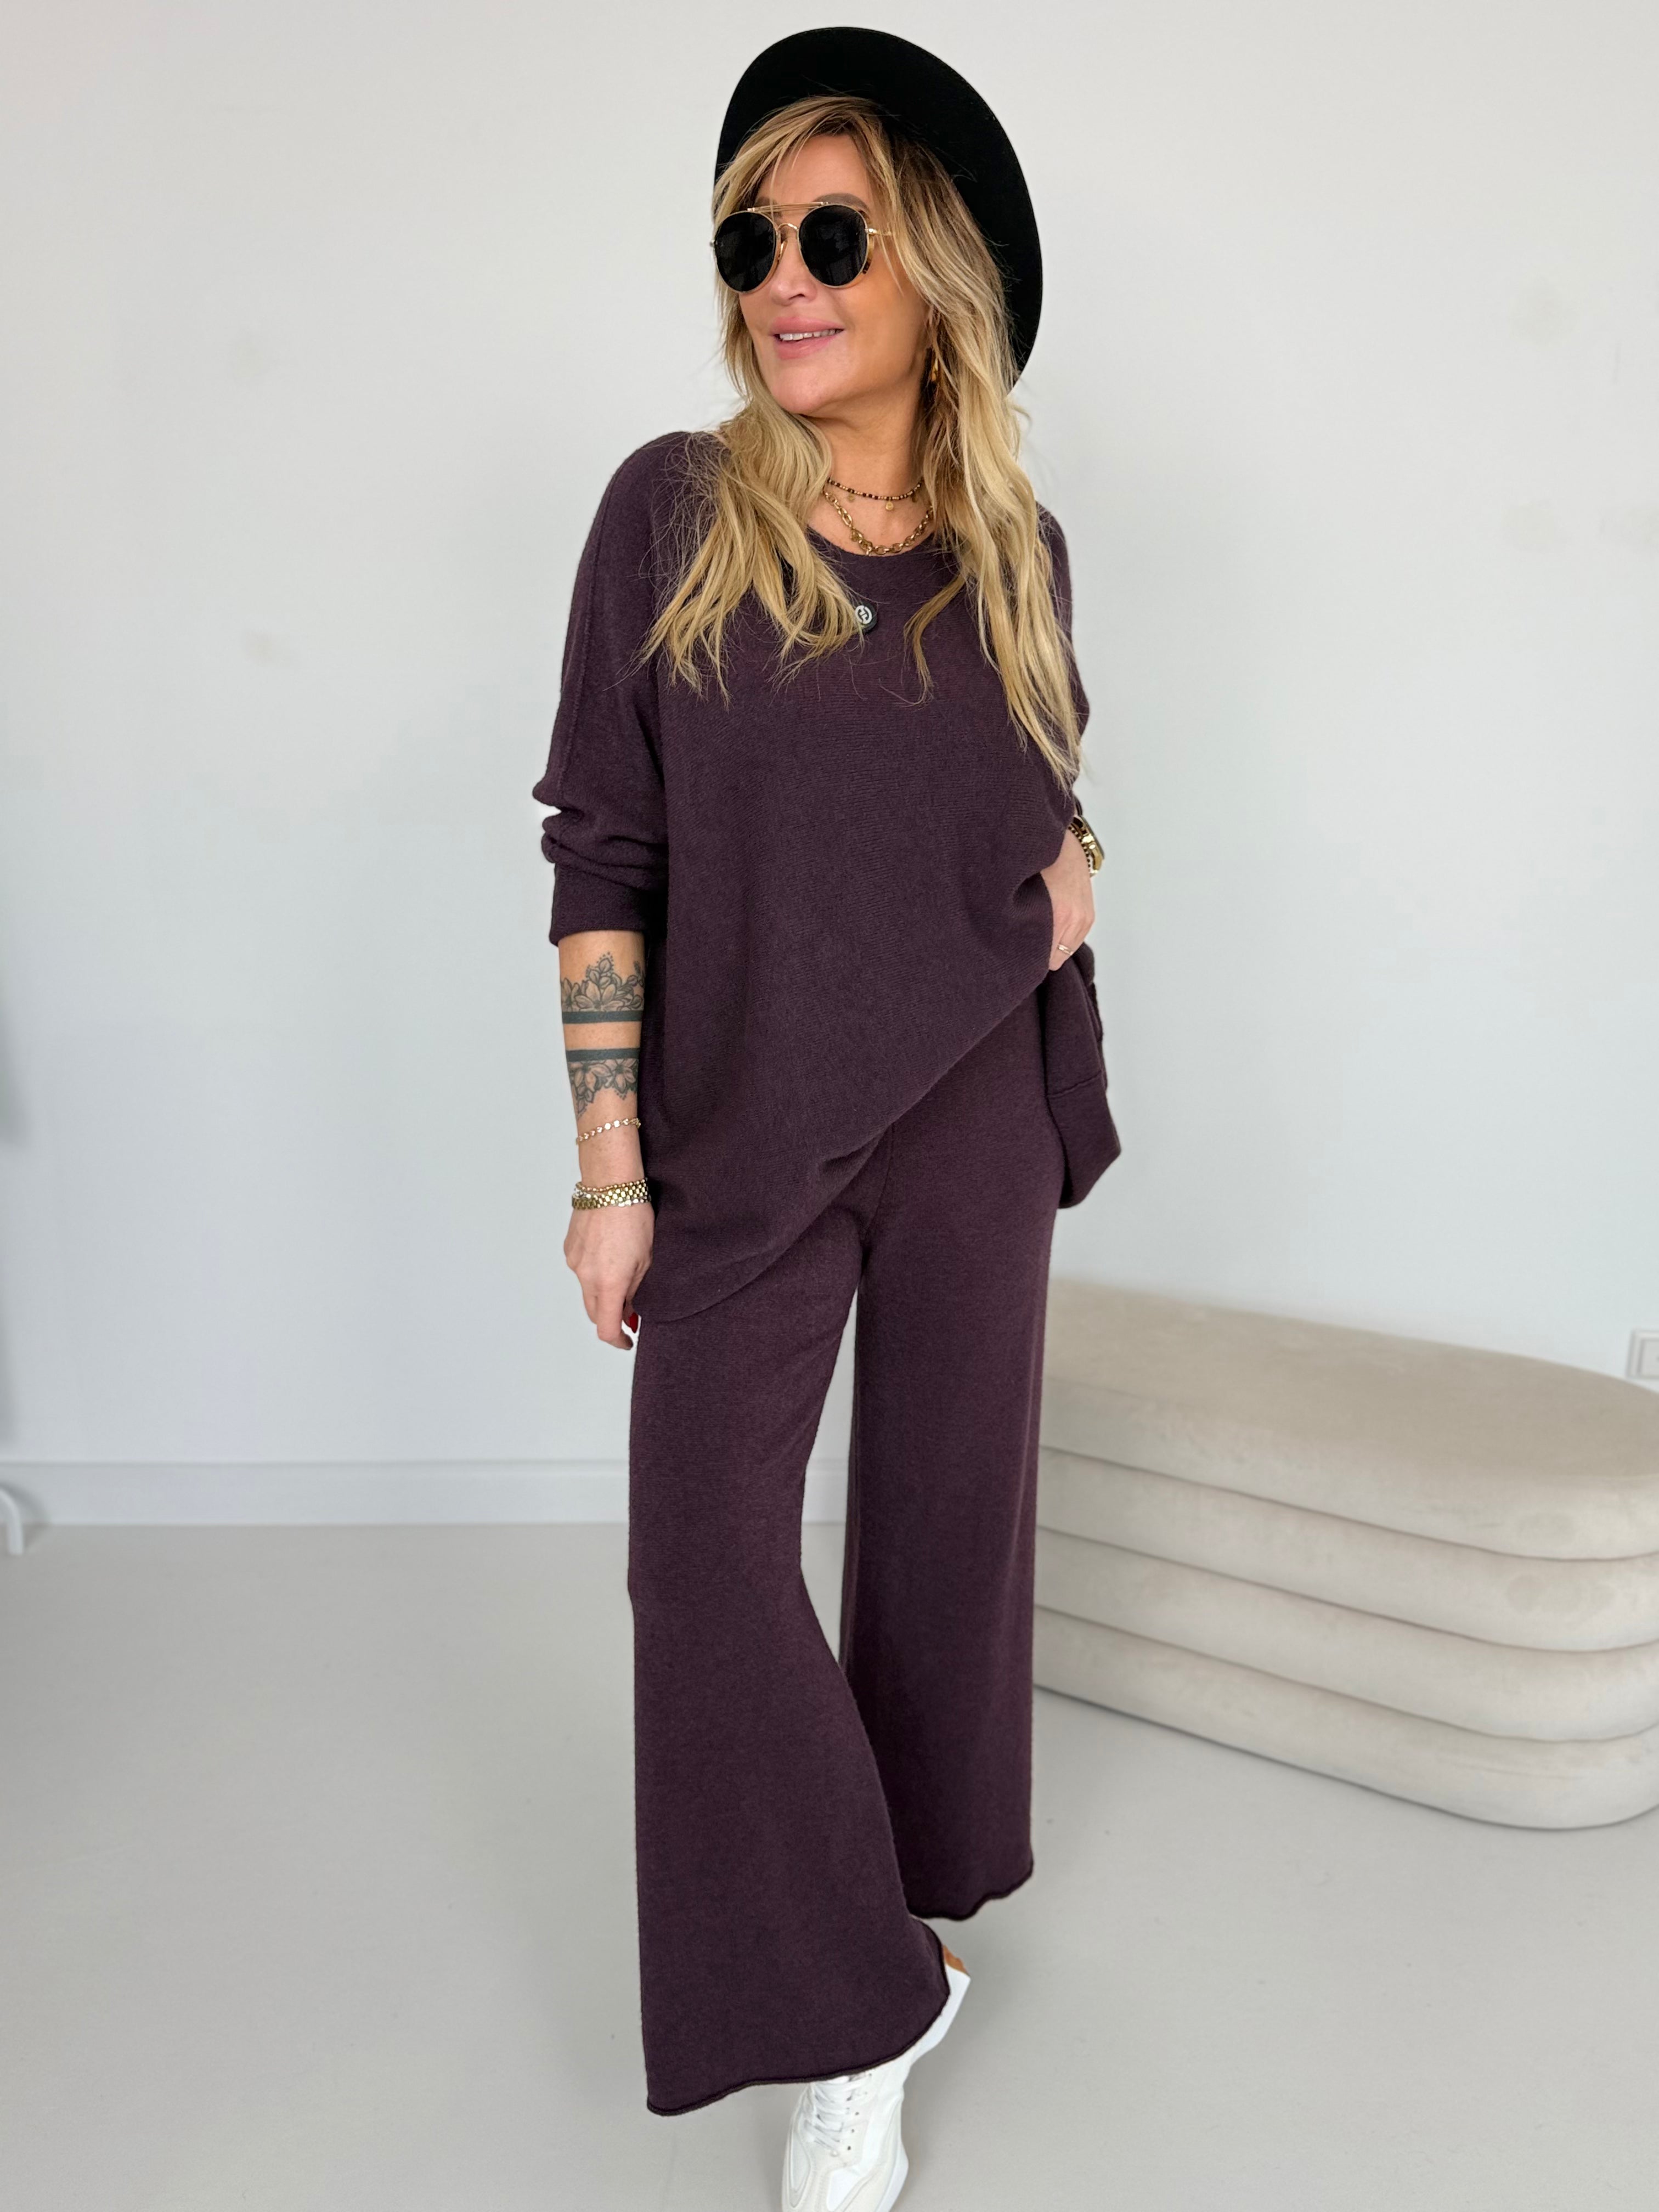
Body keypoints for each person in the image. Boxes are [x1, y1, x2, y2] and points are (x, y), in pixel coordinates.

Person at [531, 29, 1105, 2210]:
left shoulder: (1017, 549)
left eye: (833, 235)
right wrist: (611, 1169)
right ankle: (854, 1998)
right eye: (753, 239)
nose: (783, 276)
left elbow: (1026, 818)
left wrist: (1070, 880)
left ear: (934, 271)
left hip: (971, 1112)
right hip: (747, 1128)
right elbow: (607, 849)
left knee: (947, 1542)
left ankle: (918, 1929)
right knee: (699, 1559)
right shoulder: (671, 515)